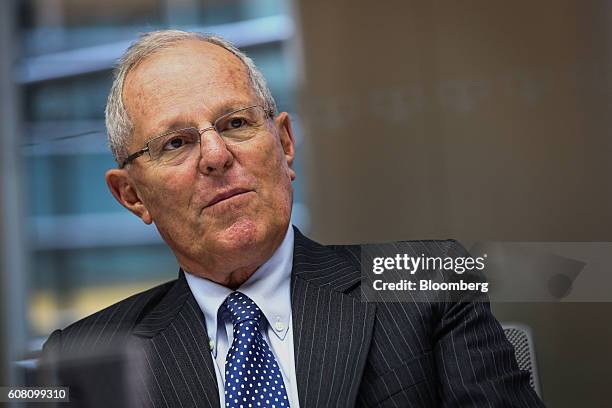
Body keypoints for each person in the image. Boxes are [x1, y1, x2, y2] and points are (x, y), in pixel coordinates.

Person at [41, 30, 545, 408]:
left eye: (235, 123)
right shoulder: (83, 357)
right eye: (176, 143)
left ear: (284, 144)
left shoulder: (424, 280)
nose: (216, 155)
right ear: (131, 195)